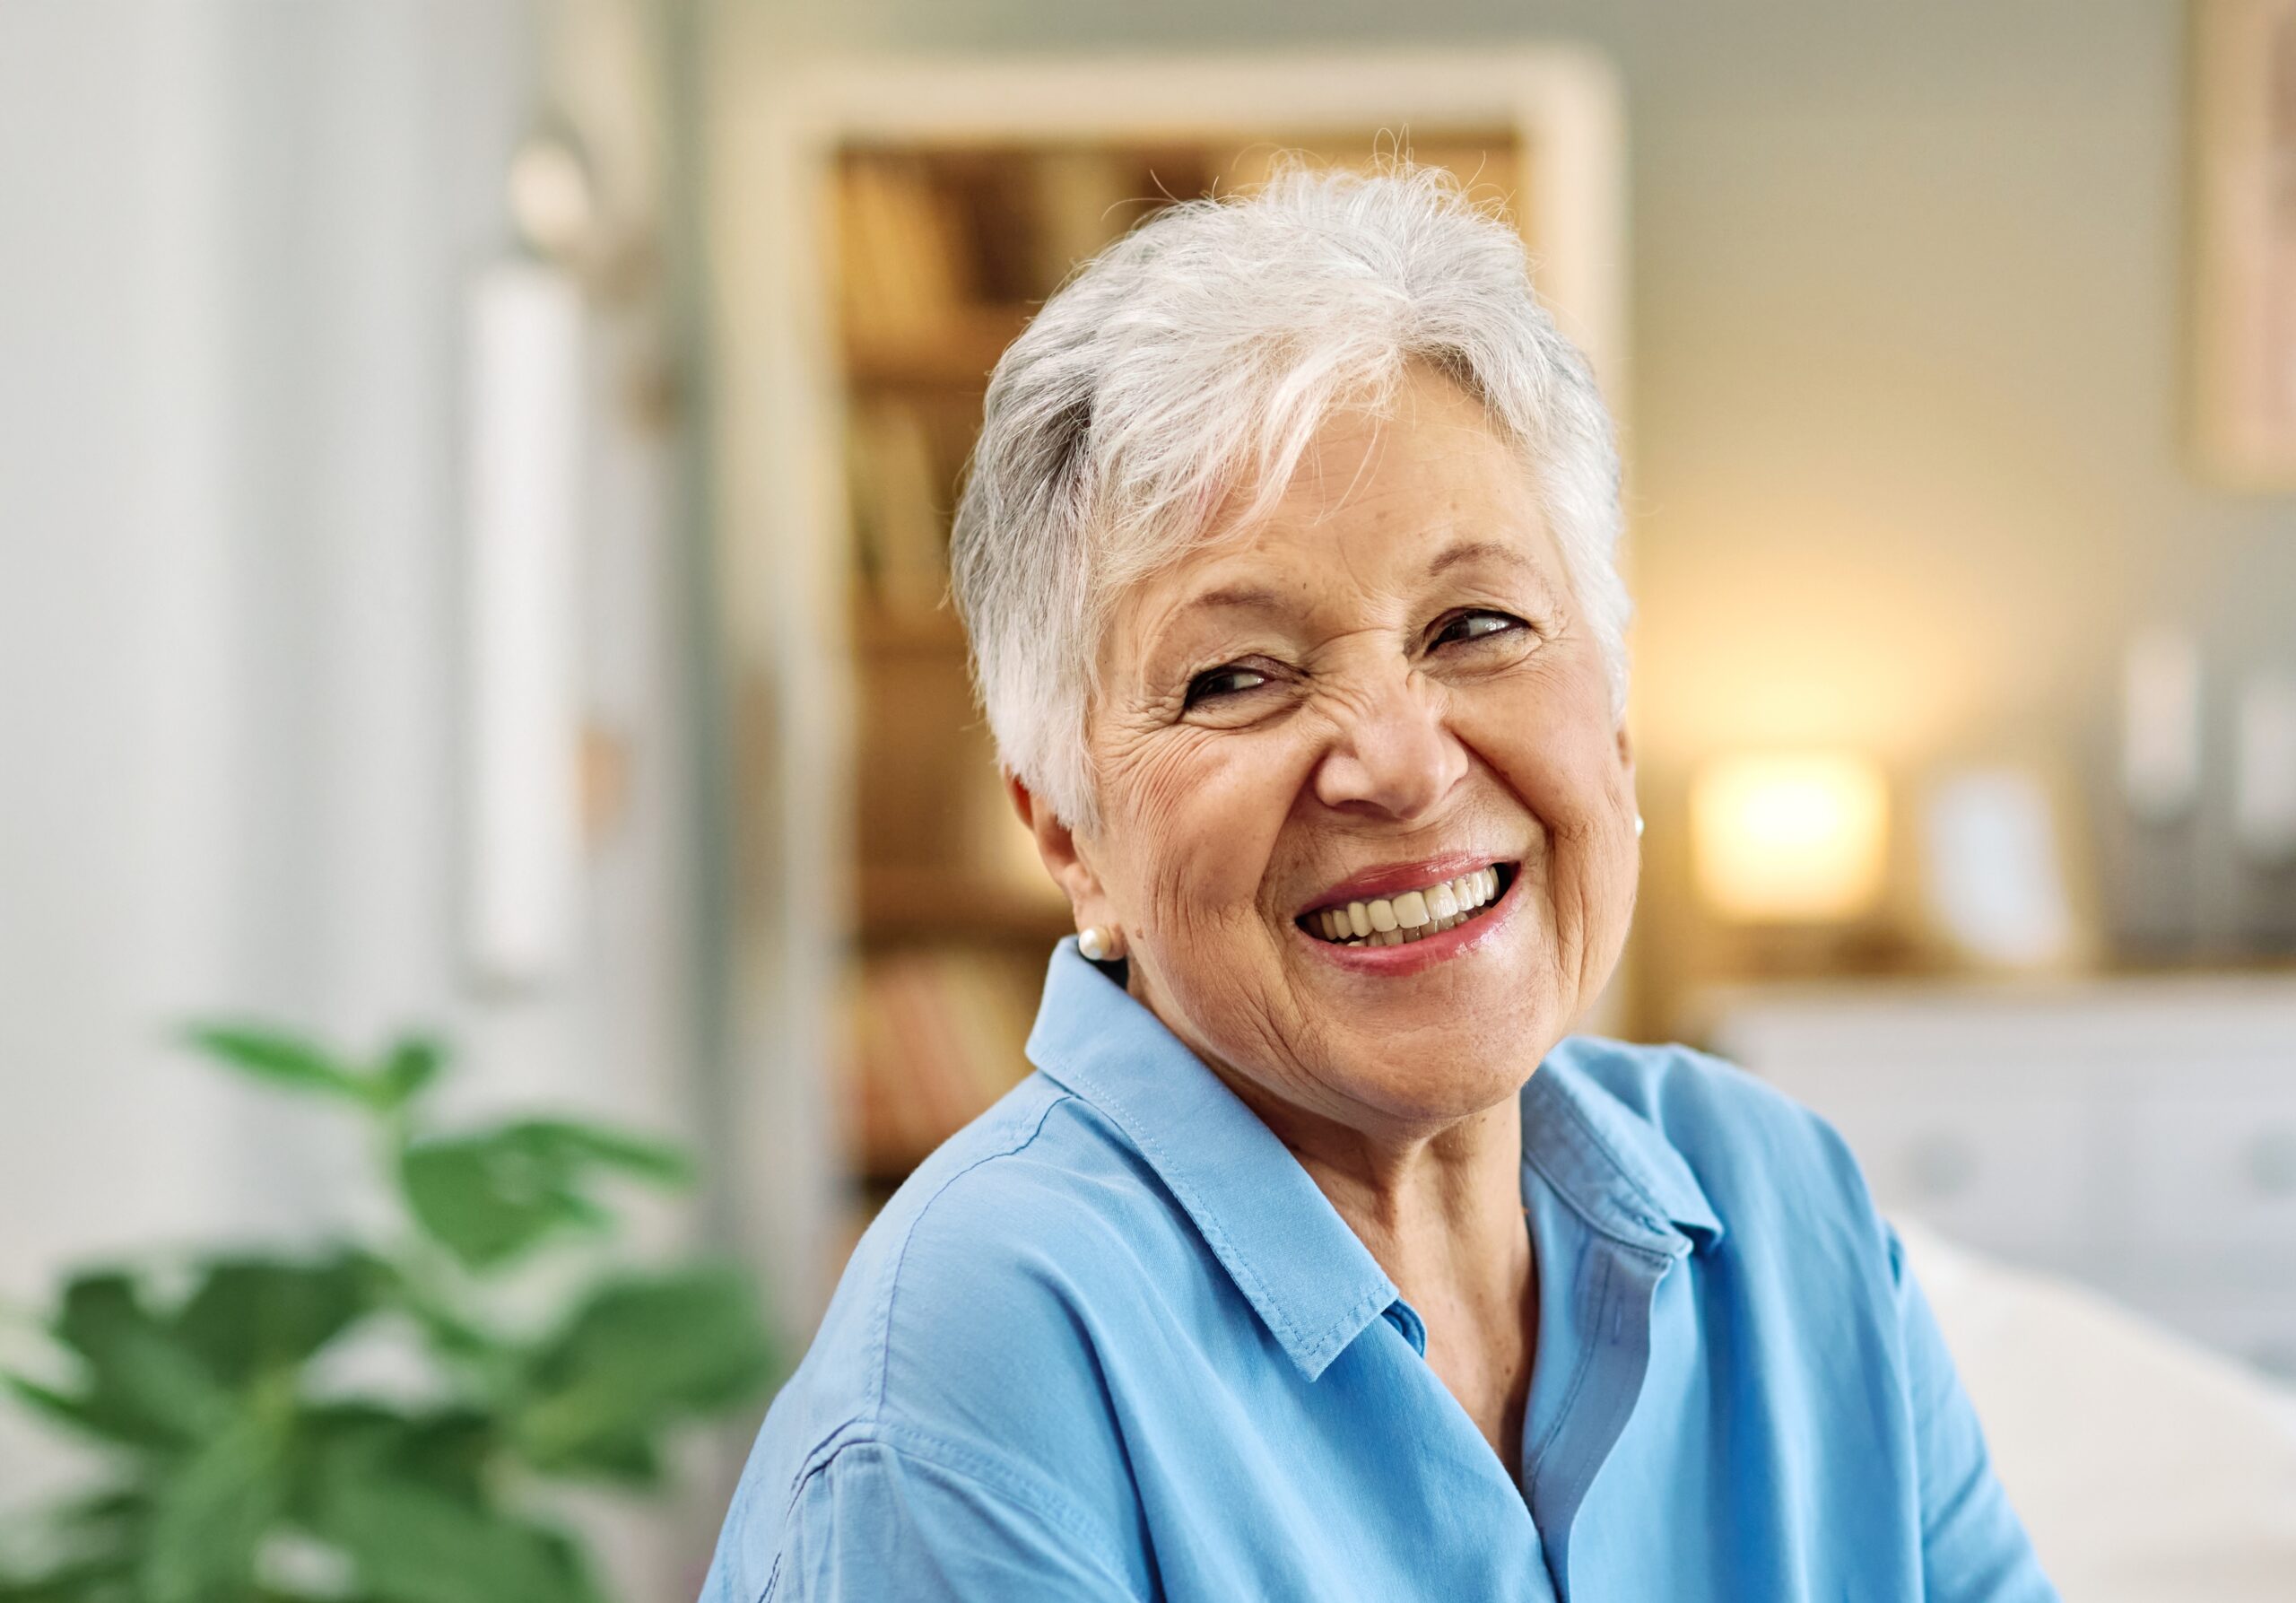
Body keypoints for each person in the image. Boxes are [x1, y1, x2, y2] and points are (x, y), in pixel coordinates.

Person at [700, 160, 2057, 1602]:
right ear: (1068, 839)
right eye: (1236, 675)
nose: (1400, 766)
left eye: (1477, 624)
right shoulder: (977, 1366)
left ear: (1612, 712)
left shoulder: (1782, 1202)